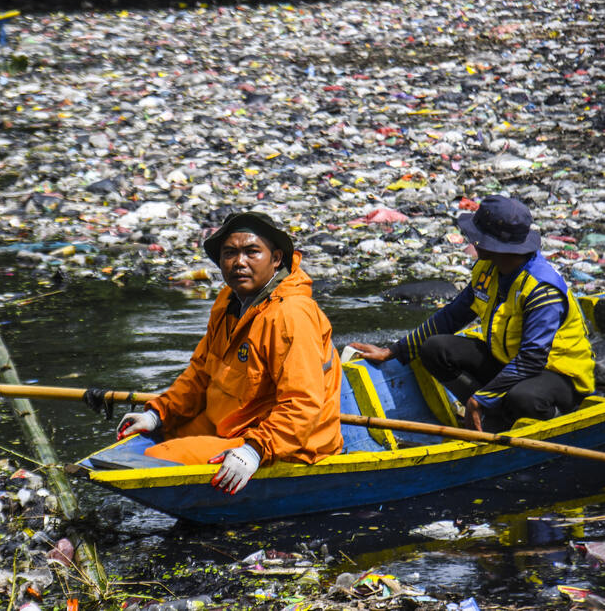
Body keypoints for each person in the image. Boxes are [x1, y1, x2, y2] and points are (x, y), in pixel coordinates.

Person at [116, 212, 343, 495]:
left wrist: (255, 450)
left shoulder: (290, 315)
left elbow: (302, 403)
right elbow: (200, 373)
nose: (239, 262)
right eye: (230, 253)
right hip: (234, 421)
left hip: (294, 441)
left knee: (155, 458)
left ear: (275, 259)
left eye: (251, 252)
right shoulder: (228, 300)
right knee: (154, 435)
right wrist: (158, 414)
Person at [350, 195, 595, 433]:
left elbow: (532, 359)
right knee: (435, 349)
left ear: (497, 245)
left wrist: (481, 398)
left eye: (478, 238)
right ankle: (495, 417)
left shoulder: (541, 290)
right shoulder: (488, 270)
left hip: (556, 373)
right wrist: (396, 350)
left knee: (524, 399)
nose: (473, 241)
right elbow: (453, 316)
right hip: (508, 362)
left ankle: (550, 419)